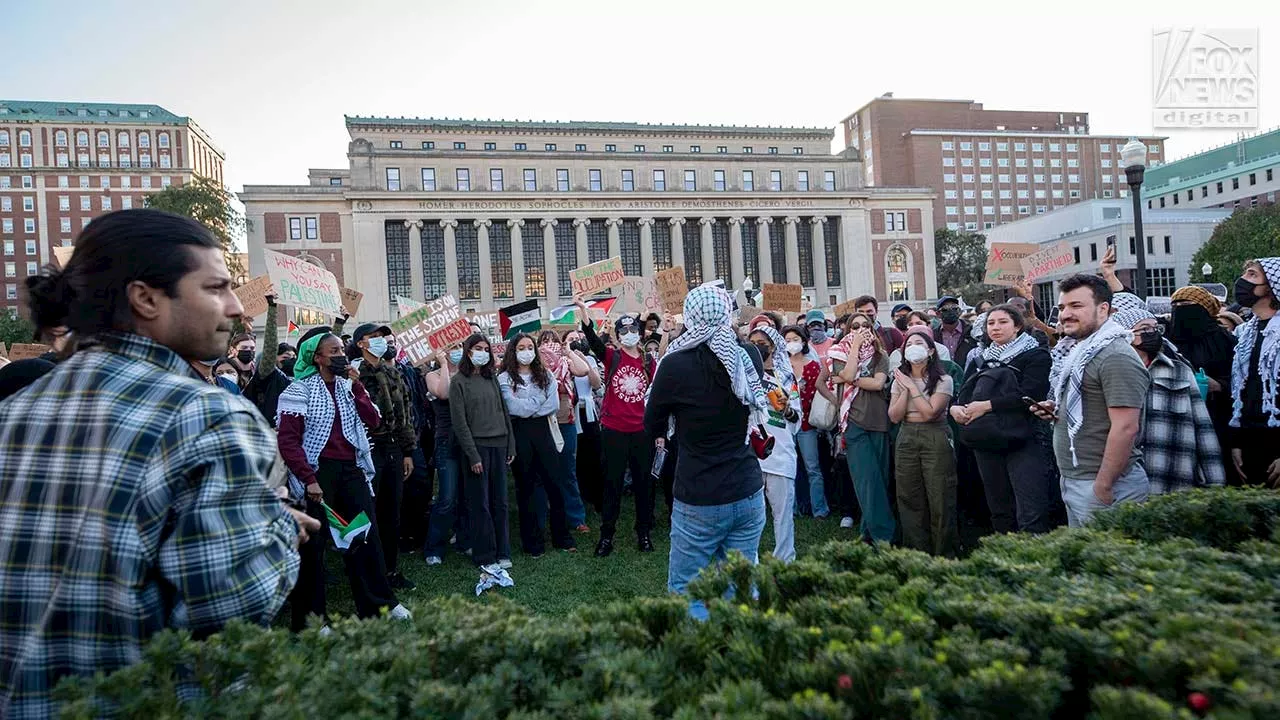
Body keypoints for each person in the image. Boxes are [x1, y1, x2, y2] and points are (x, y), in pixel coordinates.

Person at [0, 209, 316, 718]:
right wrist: (275, 526)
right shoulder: (209, 415)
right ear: (145, 298)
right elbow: (234, 605)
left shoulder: (14, 409)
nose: (236, 307)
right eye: (216, 288)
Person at [644, 284, 768, 620]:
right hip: (747, 490)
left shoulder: (674, 365)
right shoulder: (748, 356)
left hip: (699, 496)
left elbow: (652, 422)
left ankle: (699, 662)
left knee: (687, 591)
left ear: (691, 316)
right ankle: (740, 652)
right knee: (741, 587)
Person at [277, 332, 409, 628]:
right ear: (317, 358)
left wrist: (357, 385)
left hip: (351, 470)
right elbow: (288, 441)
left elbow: (373, 421)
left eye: (341, 350)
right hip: (317, 472)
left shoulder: (348, 386)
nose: (340, 355)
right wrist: (309, 479)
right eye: (333, 351)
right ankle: (312, 621)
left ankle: (379, 605)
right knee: (312, 547)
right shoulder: (299, 390)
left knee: (365, 537)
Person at [1034, 274, 1150, 527]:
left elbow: (1126, 427)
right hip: (1079, 480)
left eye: (1076, 306)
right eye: (1063, 307)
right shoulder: (1083, 351)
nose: (1065, 314)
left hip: (1106, 484)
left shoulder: (1114, 355)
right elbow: (1090, 404)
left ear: (1103, 309)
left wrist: (1104, 485)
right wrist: (1057, 410)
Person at [951, 304, 1059, 534]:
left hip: (1024, 439)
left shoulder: (1035, 354)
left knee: (1030, 508)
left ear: (1018, 326)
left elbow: (1032, 394)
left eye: (1003, 322)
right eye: (991, 323)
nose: (996, 328)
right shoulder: (981, 358)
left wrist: (987, 406)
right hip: (987, 440)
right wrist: (956, 409)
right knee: (999, 508)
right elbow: (964, 393)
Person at [1112, 303, 1226, 494]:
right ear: (1125, 334)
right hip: (1124, 484)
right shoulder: (1113, 373)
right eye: (1144, 329)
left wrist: (1215, 484)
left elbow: (1203, 427)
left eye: (1156, 328)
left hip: (1173, 477)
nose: (1153, 333)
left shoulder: (1179, 370)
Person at [577, 302, 658, 557]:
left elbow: (656, 395)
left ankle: (643, 533)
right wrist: (584, 311)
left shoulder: (649, 362)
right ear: (618, 336)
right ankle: (606, 536)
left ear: (639, 332)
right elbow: (592, 339)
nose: (628, 335)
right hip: (613, 430)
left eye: (632, 330)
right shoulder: (612, 356)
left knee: (644, 484)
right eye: (623, 332)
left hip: (641, 431)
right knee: (612, 484)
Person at [349, 323, 418, 590]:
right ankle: (370, 571)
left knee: (392, 512)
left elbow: (405, 414)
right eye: (373, 337)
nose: (380, 341)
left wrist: (408, 451)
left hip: (393, 448)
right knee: (371, 512)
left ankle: (390, 570)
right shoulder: (355, 375)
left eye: (382, 337)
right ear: (361, 344)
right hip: (368, 448)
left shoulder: (392, 373)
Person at [499, 333, 577, 557]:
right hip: (520, 434)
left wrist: (528, 406)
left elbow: (552, 404)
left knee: (555, 483)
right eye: (521, 347)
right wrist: (535, 403)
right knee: (526, 488)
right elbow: (513, 408)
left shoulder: (546, 375)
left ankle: (562, 537)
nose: (526, 351)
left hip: (544, 432)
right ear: (513, 351)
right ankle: (532, 542)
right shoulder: (504, 378)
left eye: (530, 347)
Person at [450, 334, 517, 586]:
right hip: (477, 447)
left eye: (486, 349)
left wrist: (510, 443)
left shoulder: (491, 379)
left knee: (500, 501)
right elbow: (460, 423)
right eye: (477, 348)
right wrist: (473, 454)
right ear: (468, 351)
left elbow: (504, 413)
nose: (482, 352)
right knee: (481, 503)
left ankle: (503, 551)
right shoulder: (458, 382)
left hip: (500, 444)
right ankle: (484, 553)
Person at [888, 331, 958, 555]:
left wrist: (910, 386)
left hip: (935, 436)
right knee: (909, 495)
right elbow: (894, 416)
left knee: (940, 495)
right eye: (909, 344)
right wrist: (906, 387)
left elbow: (930, 413)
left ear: (930, 351)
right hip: (906, 435)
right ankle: (916, 552)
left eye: (919, 343)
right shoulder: (900, 379)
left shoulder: (944, 379)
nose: (913, 347)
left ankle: (943, 553)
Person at [830, 313, 893, 542]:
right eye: (855, 326)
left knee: (880, 482)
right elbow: (845, 371)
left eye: (866, 325)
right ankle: (884, 538)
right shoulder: (838, 352)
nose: (861, 329)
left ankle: (868, 534)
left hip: (879, 422)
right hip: (854, 424)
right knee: (867, 482)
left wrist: (849, 379)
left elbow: (877, 383)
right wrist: (855, 345)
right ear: (847, 329)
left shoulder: (880, 355)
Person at [1167, 285, 1238, 482]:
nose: (1181, 309)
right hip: (1178, 418)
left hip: (1218, 417)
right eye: (1176, 305)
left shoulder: (1225, 341)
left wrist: (1220, 384)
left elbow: (1244, 381)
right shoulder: (1167, 341)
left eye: (1187, 304)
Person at [749, 325, 800, 562]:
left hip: (781, 453)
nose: (758, 347)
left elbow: (797, 418)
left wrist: (788, 410)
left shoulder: (787, 378)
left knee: (782, 514)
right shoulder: (745, 376)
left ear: (773, 347)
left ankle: (785, 560)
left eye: (762, 343)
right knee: (751, 515)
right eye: (753, 343)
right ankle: (750, 559)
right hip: (751, 454)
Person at [1228, 258, 1280, 487]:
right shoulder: (1245, 333)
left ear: (1271, 286)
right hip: (1251, 440)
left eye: (1252, 275)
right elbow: (1242, 392)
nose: (1243, 281)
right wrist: (1237, 442)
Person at [538, 329, 593, 532]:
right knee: (544, 470)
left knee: (568, 470)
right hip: (543, 423)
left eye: (554, 341)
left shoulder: (566, 363)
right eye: (545, 341)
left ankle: (576, 517)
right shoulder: (536, 367)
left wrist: (568, 352)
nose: (549, 345)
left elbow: (584, 370)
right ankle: (546, 516)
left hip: (565, 421)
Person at [783, 324, 835, 519]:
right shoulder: (780, 366)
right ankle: (792, 509)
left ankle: (819, 509)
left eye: (795, 340)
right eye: (787, 340)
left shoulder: (812, 366)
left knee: (812, 468)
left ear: (804, 342)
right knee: (788, 468)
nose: (791, 344)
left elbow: (816, 395)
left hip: (806, 425)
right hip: (785, 425)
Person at [423, 347, 468, 565]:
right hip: (446, 441)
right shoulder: (433, 375)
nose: (455, 351)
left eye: (459, 346)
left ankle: (464, 538)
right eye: (451, 347)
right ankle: (434, 547)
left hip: (468, 440)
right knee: (447, 496)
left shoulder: (469, 372)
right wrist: (443, 365)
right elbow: (444, 393)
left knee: (467, 494)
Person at [565, 328, 605, 513]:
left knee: (594, 453)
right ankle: (579, 496)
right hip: (570, 414)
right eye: (571, 339)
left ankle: (597, 497)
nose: (576, 341)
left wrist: (584, 362)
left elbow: (597, 384)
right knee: (576, 456)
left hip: (588, 413)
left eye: (579, 338)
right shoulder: (562, 362)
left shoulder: (589, 359)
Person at [242, 296, 295, 427]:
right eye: (286, 357)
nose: (291, 360)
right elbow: (270, 348)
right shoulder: (268, 375)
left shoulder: (299, 379)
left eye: (294, 357)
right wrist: (272, 308)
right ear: (274, 358)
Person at [933, 296, 977, 369]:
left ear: (959, 311)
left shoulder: (971, 331)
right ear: (938, 314)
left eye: (954, 308)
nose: (950, 312)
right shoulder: (934, 335)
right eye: (945, 309)